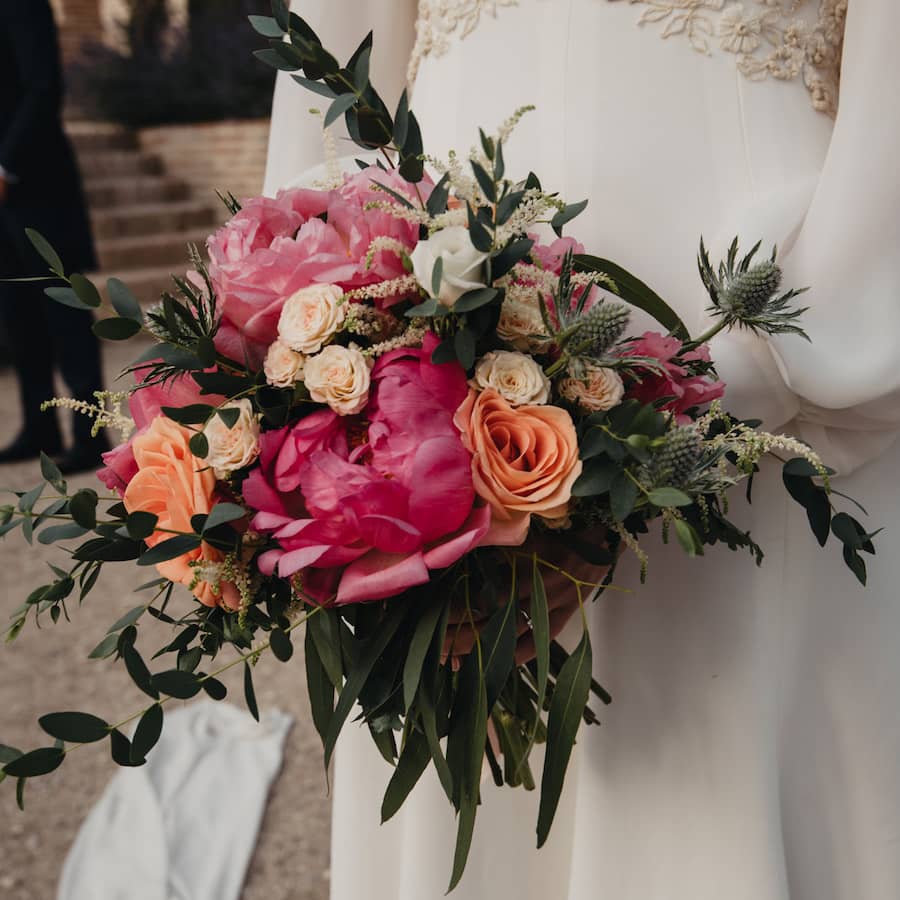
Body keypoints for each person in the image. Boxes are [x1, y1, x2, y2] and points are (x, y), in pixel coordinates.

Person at [265, 2, 900, 898]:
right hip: (427, 395)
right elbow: (320, 101)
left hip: (778, 401)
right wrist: (313, 390)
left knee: (723, 780)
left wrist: (722, 378)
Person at [0, 0, 108, 473]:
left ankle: (91, 435)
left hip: (34, 180)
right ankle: (38, 428)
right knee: (16, 313)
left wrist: (5, 165)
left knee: (65, 313)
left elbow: (43, 87)